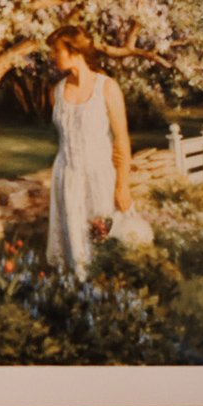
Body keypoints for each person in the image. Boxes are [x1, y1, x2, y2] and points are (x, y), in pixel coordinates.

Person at [45, 25, 134, 274]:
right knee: (74, 239)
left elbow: (122, 140)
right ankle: (78, 292)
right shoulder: (57, 92)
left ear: (74, 51)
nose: (53, 56)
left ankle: (111, 293)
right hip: (67, 176)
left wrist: (122, 185)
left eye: (57, 51)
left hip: (100, 176)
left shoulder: (106, 88)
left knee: (106, 238)